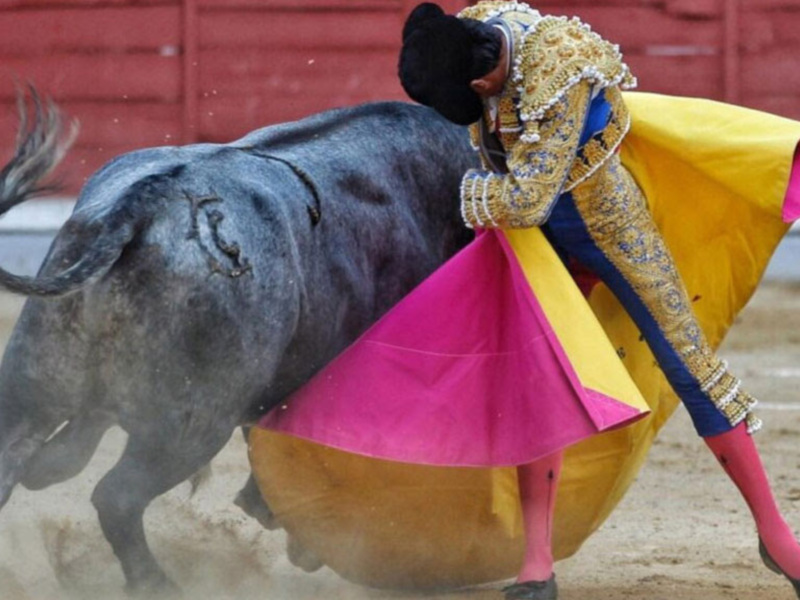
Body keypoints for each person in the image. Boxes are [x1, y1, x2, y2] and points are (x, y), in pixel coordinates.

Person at [393, 2, 800, 598]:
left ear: (482, 82)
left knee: (691, 365)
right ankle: (537, 564)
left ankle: (777, 536)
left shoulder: (561, 65)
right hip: (535, 239)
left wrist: (470, 193)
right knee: (534, 371)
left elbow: (527, 197)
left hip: (606, 221)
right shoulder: (474, 27)